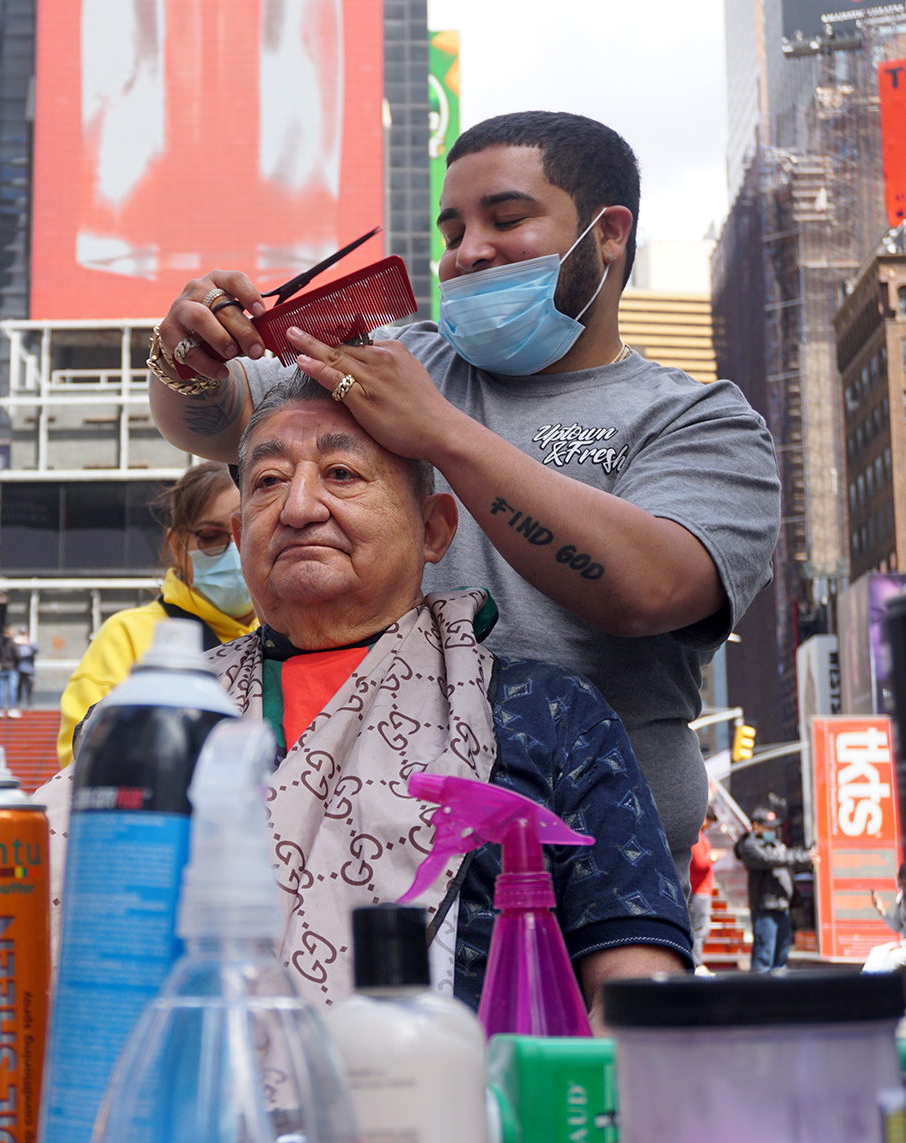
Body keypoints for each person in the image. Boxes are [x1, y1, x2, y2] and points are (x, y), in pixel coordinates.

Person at [0, 376, 694, 1070]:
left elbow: (637, 981)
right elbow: (17, 942)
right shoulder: (147, 726)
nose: (298, 506)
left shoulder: (542, 712)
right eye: (265, 483)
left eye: (342, 473)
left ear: (434, 528)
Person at [146, 111, 781, 870]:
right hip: (379, 858)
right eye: (451, 233)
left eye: (505, 219)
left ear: (609, 234)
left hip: (597, 872)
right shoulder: (395, 359)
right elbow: (218, 420)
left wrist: (441, 430)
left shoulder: (699, 421)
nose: (467, 253)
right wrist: (185, 354)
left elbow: (650, 588)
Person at [55, 461, 259, 768]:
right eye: (211, 535)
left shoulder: (288, 637)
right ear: (177, 546)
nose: (233, 549)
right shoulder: (126, 635)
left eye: (246, 530)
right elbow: (86, 760)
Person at [735, 807, 814, 973]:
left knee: (781, 956)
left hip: (781, 906)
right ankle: (759, 995)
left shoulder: (774, 844)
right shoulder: (749, 845)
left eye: (773, 827)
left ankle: (778, 995)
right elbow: (773, 859)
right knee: (764, 956)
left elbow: (784, 856)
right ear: (756, 827)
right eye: (768, 827)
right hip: (766, 908)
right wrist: (803, 857)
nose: (772, 831)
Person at [688, 808, 717, 972]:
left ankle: (696, 962)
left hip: (700, 889)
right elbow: (700, 864)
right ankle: (696, 963)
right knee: (700, 929)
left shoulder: (699, 835)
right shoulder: (697, 836)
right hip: (699, 890)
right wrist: (712, 857)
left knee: (700, 928)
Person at [0, 626, 22, 719]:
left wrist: (0, 662)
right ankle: (12, 708)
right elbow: (18, 655)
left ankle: (0, 709)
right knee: (12, 689)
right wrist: (15, 664)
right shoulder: (12, 643)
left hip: (2, 668)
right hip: (12, 668)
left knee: (1, 689)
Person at [14, 629, 38, 711]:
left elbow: (37, 649)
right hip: (19, 670)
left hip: (29, 670)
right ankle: (17, 704)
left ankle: (30, 704)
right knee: (18, 688)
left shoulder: (30, 644)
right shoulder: (17, 645)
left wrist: (28, 643)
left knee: (29, 688)